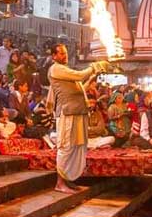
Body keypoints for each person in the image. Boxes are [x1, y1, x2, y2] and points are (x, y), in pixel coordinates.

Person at [47, 43, 109, 194]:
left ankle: (69, 181)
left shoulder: (65, 70)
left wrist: (94, 75)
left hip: (78, 113)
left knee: (76, 147)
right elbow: (80, 76)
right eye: (61, 53)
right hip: (68, 114)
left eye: (66, 52)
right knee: (66, 147)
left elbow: (81, 88)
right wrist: (94, 66)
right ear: (54, 56)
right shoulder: (56, 68)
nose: (65, 55)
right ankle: (59, 183)